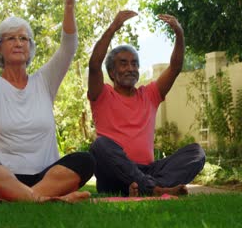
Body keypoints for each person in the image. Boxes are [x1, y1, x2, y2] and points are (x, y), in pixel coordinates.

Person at [0, 0, 95, 203]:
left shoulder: (44, 81)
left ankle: (18, 198)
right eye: (10, 38)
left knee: (86, 160)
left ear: (30, 47)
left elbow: (68, 47)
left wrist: (69, 4)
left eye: (24, 38)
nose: (18, 43)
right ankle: (44, 198)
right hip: (2, 175)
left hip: (46, 176)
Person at [88, 10, 206, 197]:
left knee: (196, 153)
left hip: (148, 171)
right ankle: (153, 188)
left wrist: (179, 34)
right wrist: (113, 27)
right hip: (113, 173)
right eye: (124, 64)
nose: (130, 68)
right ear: (111, 72)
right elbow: (94, 65)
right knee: (100, 145)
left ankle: (144, 187)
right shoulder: (101, 94)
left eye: (134, 64)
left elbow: (175, 67)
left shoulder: (150, 94)